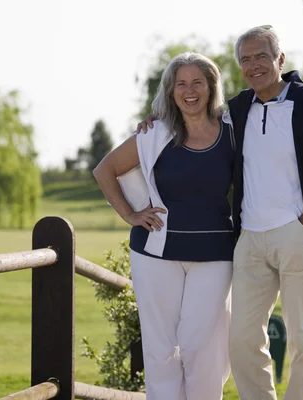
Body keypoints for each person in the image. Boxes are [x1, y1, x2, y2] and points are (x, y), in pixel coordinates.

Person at [137, 26, 303, 400]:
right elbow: (192, 115)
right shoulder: (237, 109)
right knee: (241, 342)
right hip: (249, 239)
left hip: (299, 236)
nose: (253, 65)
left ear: (280, 59)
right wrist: (152, 121)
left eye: (261, 56)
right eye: (245, 59)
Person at [92, 52, 234, 400]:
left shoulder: (234, 131)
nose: (189, 90)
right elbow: (104, 170)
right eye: (180, 84)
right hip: (155, 252)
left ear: (211, 86)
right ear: (170, 91)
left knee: (202, 347)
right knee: (160, 351)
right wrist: (130, 215)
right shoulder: (155, 132)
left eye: (197, 82)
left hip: (215, 254)